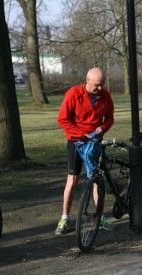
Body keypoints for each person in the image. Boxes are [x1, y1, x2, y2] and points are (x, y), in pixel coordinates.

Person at [55, 67, 114, 235]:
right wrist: (81, 134)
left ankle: (99, 216)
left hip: (95, 142)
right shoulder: (74, 93)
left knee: (96, 179)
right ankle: (65, 218)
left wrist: (102, 128)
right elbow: (62, 119)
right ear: (87, 80)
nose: (100, 89)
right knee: (72, 179)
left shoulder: (105, 96)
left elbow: (109, 118)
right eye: (96, 85)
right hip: (76, 142)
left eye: (102, 85)